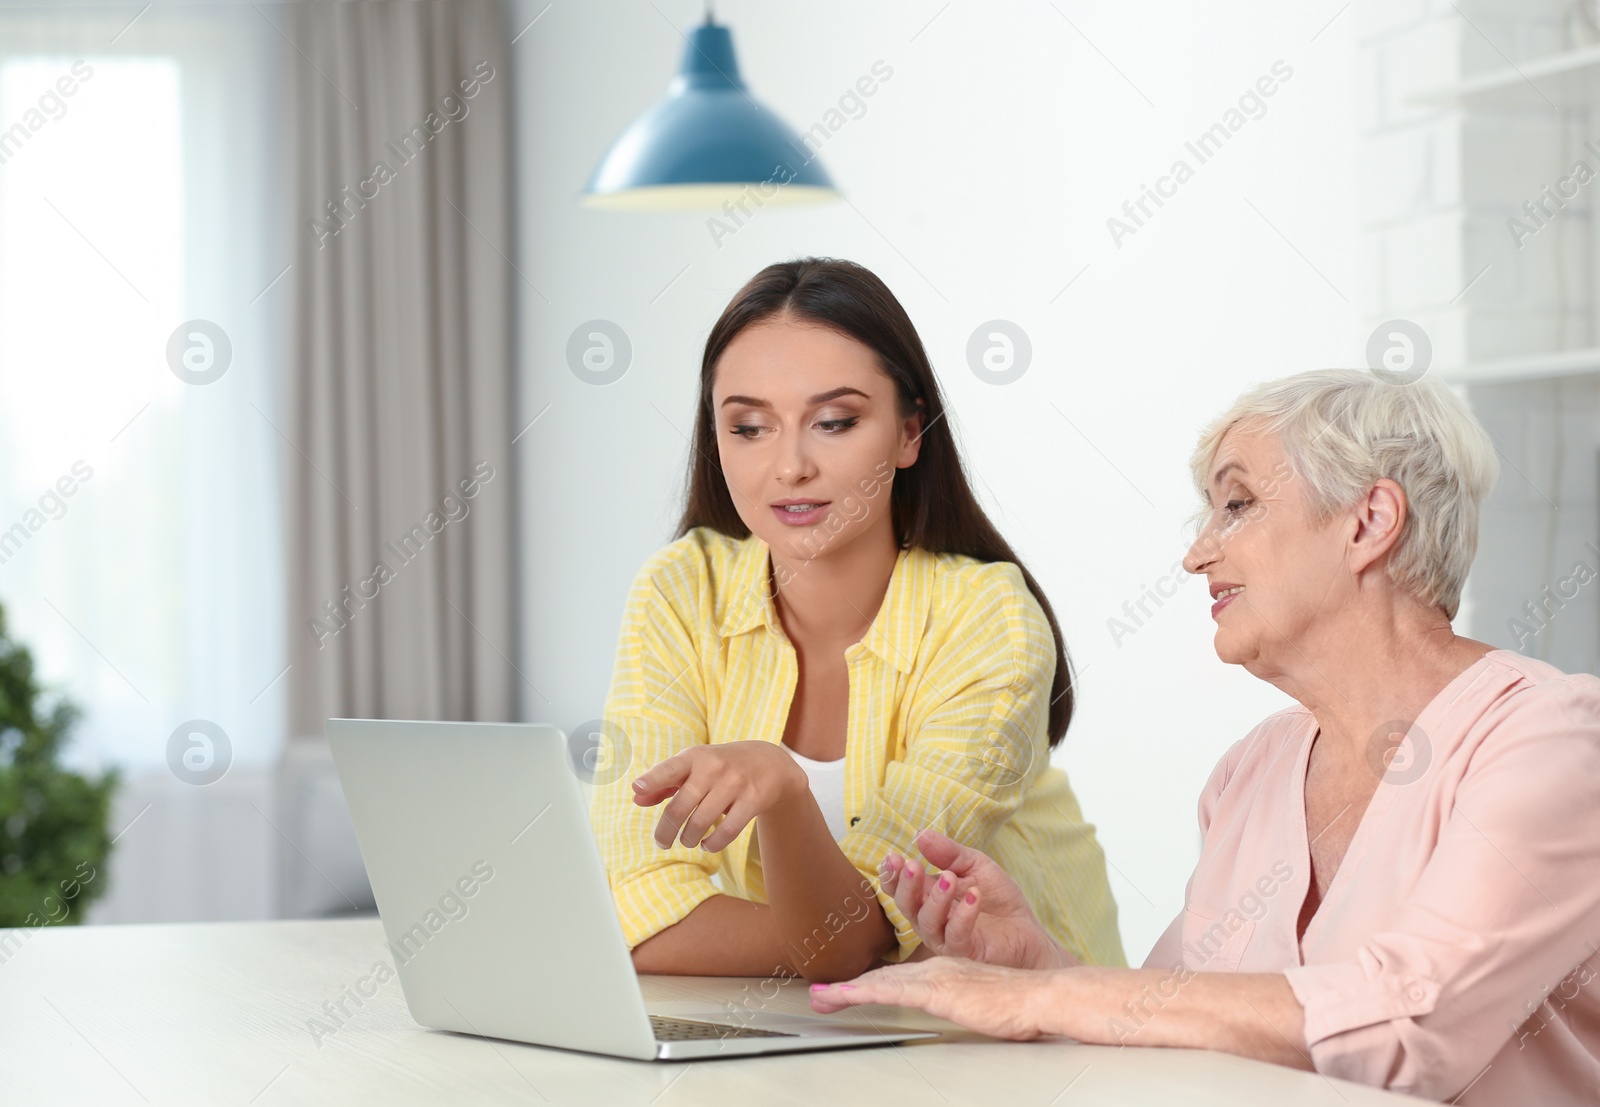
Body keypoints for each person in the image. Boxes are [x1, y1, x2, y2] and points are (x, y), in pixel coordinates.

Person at [809, 368, 1600, 1104]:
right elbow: (1177, 1020)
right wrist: (1036, 966)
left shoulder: (1549, 742)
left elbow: (1419, 1020)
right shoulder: (1251, 771)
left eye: (1239, 503)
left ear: (1370, 521)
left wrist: (1046, 997)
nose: (1196, 554)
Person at [587, 257, 1124, 984]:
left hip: (1026, 1049)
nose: (790, 466)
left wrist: (783, 789)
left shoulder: (988, 619)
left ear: (909, 434)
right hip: (815, 1034)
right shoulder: (682, 590)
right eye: (748, 426)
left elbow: (857, 938)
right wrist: (814, 946)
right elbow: (629, 902)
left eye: (834, 421)